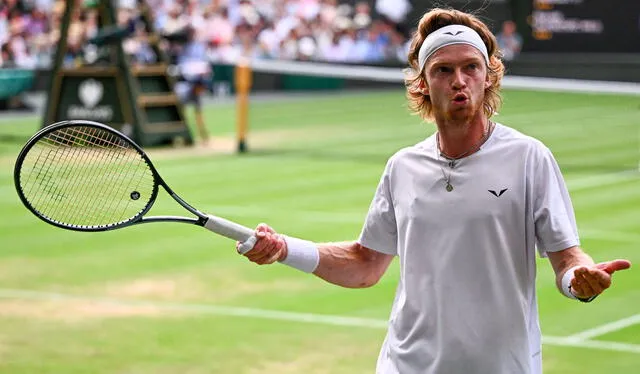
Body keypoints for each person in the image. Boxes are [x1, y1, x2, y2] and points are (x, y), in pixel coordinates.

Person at [235, 8, 632, 374]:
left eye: (470, 68)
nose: (458, 81)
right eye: (443, 70)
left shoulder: (530, 157)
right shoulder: (401, 167)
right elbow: (364, 264)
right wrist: (284, 249)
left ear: (488, 75)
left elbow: (567, 259)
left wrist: (579, 279)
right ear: (423, 83)